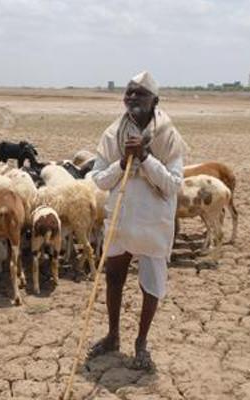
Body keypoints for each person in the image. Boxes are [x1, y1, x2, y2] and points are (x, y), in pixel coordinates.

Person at [89, 71, 188, 369]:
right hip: (120, 220)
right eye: (129, 92)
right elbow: (98, 180)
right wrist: (122, 163)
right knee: (114, 278)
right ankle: (113, 336)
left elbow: (173, 184)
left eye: (140, 93)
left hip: (153, 224)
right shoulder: (112, 134)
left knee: (150, 285)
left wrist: (145, 157)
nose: (132, 97)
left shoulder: (168, 136)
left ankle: (141, 343)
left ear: (154, 100)